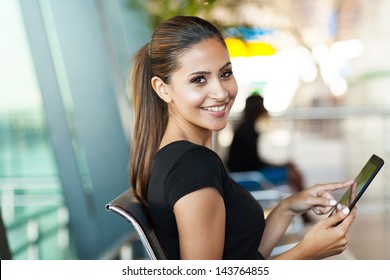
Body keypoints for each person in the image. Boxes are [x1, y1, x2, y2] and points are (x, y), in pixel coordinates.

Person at [129, 15, 356, 260]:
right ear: (162, 89)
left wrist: (287, 207)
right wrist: (306, 252)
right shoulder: (193, 167)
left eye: (225, 74)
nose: (221, 92)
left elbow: (244, 256)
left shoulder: (177, 158)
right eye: (199, 80)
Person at [226, 94, 311, 223]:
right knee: (293, 175)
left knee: (293, 172)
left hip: (250, 172)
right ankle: (306, 215)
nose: (264, 109)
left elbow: (254, 160)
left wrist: (281, 164)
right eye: (262, 105)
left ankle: (305, 213)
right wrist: (280, 165)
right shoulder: (247, 131)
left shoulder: (246, 128)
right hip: (248, 176)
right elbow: (253, 163)